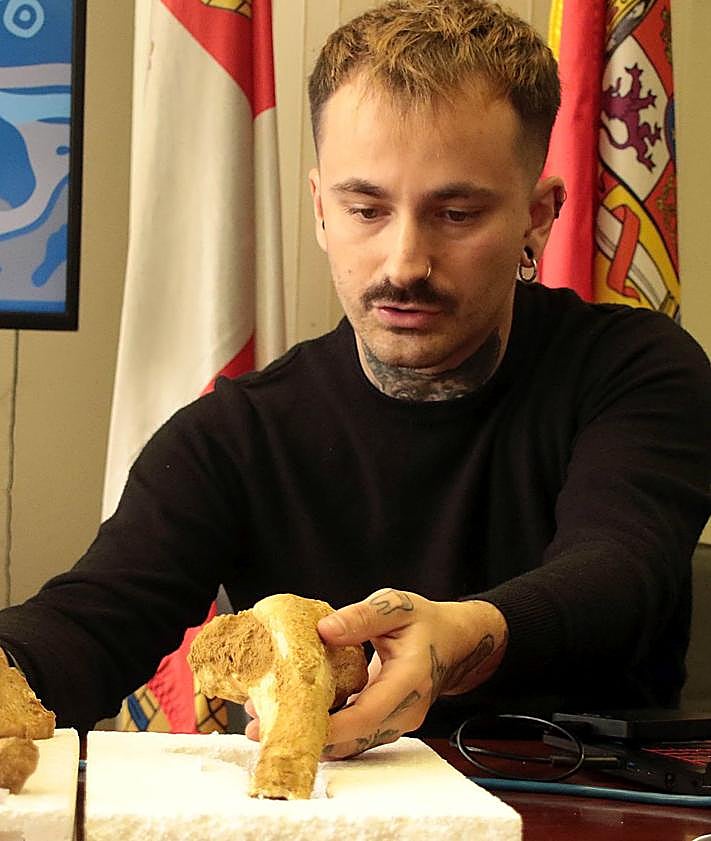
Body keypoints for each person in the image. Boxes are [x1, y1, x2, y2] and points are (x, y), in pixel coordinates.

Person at [0, 0, 709, 759]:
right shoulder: (236, 433)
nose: (403, 263)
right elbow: (91, 620)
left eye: (457, 213)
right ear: (319, 208)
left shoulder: (638, 367)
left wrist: (462, 635)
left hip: (594, 808)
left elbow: (618, 570)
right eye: (366, 208)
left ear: (537, 217)